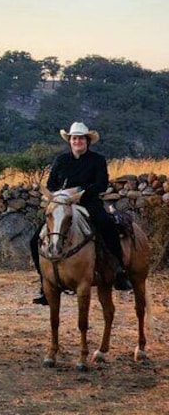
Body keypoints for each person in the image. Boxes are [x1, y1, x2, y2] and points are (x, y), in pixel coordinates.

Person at [30, 122, 132, 305]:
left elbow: (101, 184)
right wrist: (60, 195)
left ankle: (119, 271)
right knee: (34, 239)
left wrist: (81, 194)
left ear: (87, 141)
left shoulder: (97, 160)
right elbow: (52, 184)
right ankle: (44, 283)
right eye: (74, 138)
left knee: (106, 224)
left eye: (81, 138)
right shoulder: (61, 160)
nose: (77, 141)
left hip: (88, 202)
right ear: (70, 141)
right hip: (62, 204)